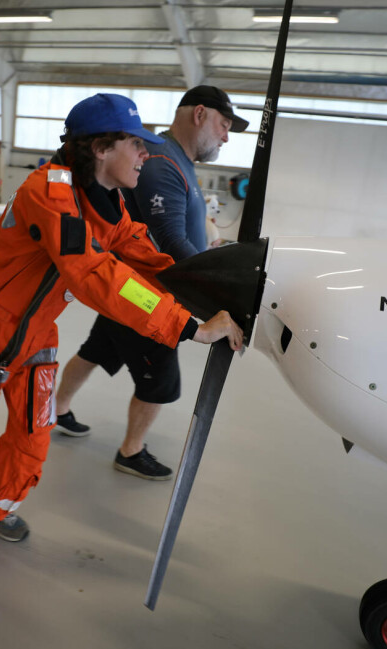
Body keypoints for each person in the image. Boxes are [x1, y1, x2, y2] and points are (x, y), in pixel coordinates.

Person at [0, 93, 244, 542]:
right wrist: (188, 327)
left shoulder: (104, 199)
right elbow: (95, 273)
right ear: (100, 148)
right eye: (135, 144)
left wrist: (203, 289)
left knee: (34, 435)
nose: (145, 153)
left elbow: (139, 252)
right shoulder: (49, 192)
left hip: (37, 335)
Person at [52, 86, 248, 482]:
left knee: (94, 350)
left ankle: (54, 410)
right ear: (103, 148)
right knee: (161, 384)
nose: (226, 137)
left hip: (135, 291)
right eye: (223, 125)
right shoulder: (159, 165)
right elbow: (146, 251)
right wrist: (200, 310)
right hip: (141, 298)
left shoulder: (163, 169)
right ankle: (130, 451)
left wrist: (209, 267)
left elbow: (141, 240)